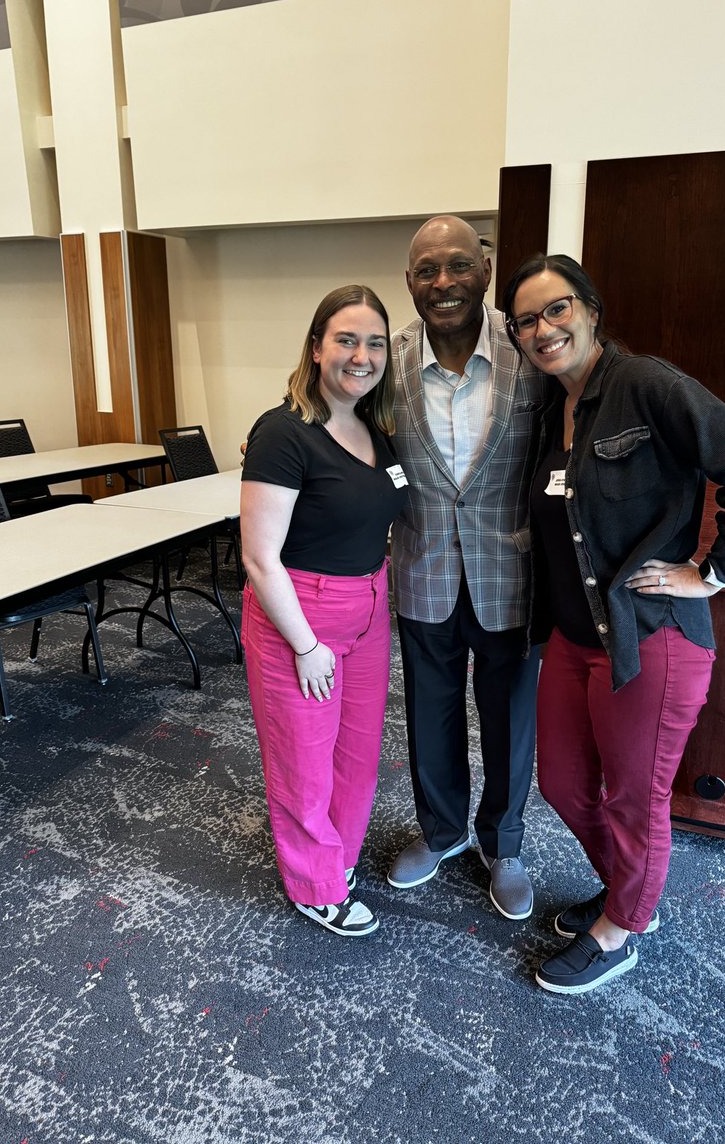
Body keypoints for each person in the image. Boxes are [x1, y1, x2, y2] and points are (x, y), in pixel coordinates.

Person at [502, 253, 725, 992]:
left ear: (591, 309)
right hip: (571, 638)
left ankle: (623, 929)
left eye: (556, 308)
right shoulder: (548, 408)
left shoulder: (646, 385)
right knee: (564, 784)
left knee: (635, 796)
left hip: (650, 638)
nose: (543, 329)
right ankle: (635, 893)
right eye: (526, 320)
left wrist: (713, 574)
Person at [386, 216, 550, 920]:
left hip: (512, 573)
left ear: (485, 269)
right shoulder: (383, 361)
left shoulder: (531, 354)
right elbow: (328, 414)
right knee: (430, 712)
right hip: (421, 567)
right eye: (427, 270)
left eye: (457, 266)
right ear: (410, 283)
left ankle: (504, 844)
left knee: (510, 719)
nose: (443, 282)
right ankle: (443, 831)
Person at [240, 285, 409, 937]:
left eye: (373, 342)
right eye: (345, 339)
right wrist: (307, 645)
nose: (360, 355)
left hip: (367, 609)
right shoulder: (283, 432)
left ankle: (334, 857)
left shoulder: (374, 427)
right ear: (316, 348)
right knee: (303, 757)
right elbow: (260, 558)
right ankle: (314, 883)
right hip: (300, 618)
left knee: (357, 754)